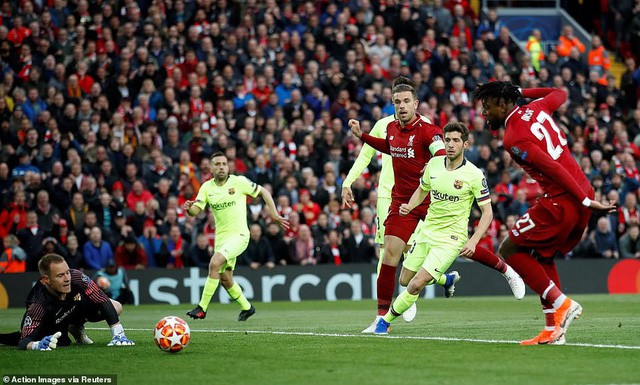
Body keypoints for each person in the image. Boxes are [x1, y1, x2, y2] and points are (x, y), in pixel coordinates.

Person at [350, 79, 524, 333]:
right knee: (390, 254)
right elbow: (390, 147)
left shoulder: (428, 131)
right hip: (404, 202)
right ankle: (381, 317)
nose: (402, 106)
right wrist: (362, 136)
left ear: (416, 104)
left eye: (406, 101)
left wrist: (438, 166)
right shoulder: (390, 129)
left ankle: (506, 270)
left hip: (433, 201)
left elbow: (441, 151)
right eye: (397, 102)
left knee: (463, 246)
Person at [472, 81, 616, 345]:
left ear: (503, 105)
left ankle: (563, 303)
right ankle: (553, 330)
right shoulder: (536, 108)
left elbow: (552, 168)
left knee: (509, 249)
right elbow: (559, 93)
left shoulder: (513, 137)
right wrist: (521, 92)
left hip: (564, 199)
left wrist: (584, 201)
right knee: (540, 255)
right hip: (578, 191)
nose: (484, 113)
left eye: (488, 107)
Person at [373, 122, 493, 333]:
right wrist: (409, 206)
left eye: (456, 140)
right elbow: (422, 189)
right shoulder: (434, 165)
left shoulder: (474, 174)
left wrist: (473, 240)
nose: (451, 145)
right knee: (404, 279)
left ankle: (384, 322)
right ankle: (446, 279)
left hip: (451, 239)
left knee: (415, 284)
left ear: (465, 144)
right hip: (428, 231)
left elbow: (487, 213)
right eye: (447, 140)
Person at [184, 152, 289, 321]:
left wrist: (274, 214)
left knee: (214, 263)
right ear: (210, 168)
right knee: (225, 279)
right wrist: (189, 208)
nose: (221, 167)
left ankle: (202, 308)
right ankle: (247, 307)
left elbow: (264, 192)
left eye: (224, 164)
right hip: (222, 239)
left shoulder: (239, 182)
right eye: (217, 164)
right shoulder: (206, 187)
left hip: (239, 236)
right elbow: (196, 210)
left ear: (228, 166)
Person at [0, 254, 134, 350]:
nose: (67, 278)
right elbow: (24, 340)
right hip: (53, 320)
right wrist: (36, 345)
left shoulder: (76, 276)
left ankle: (77, 327)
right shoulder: (38, 305)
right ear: (46, 280)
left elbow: (102, 298)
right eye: (60, 275)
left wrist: (118, 334)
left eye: (67, 272)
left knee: (116, 306)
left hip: (74, 308)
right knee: (61, 342)